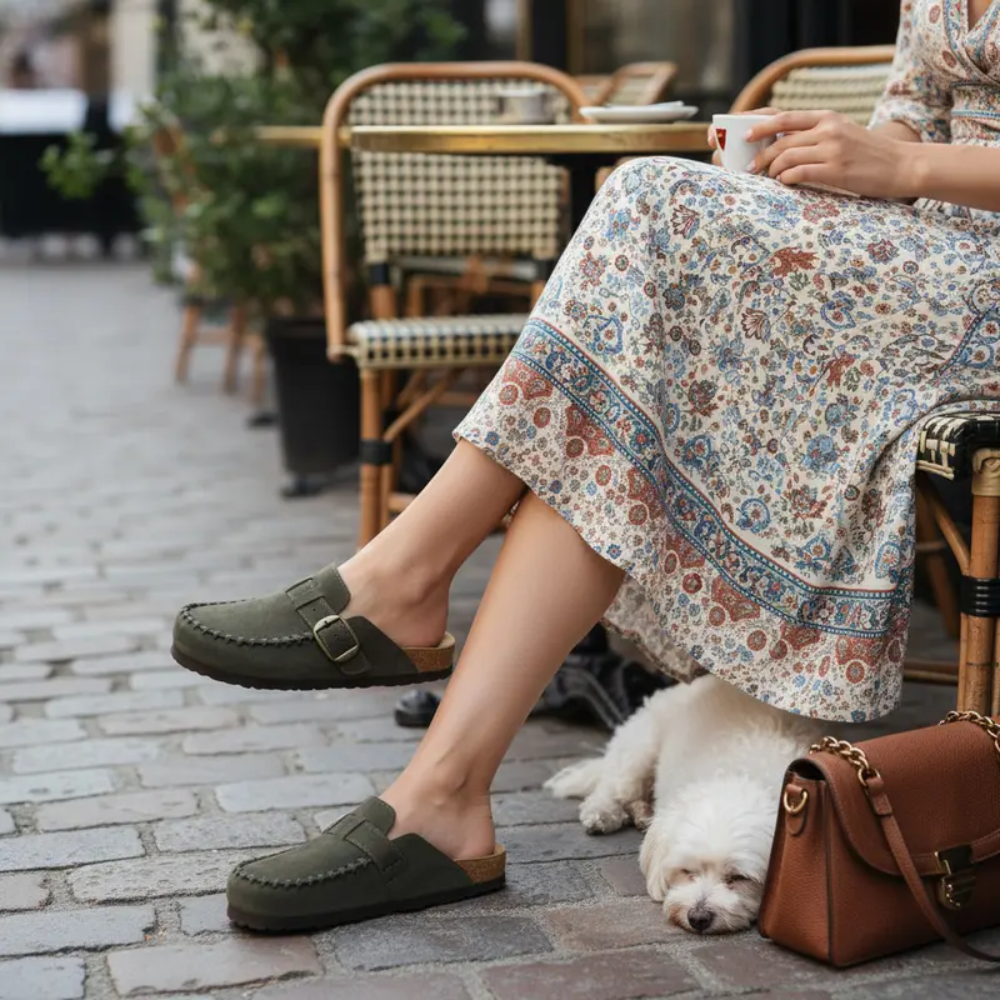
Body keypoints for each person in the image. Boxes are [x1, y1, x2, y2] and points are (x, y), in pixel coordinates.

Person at [171, 0, 1000, 932]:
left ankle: (403, 596)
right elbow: (913, 107)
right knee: (626, 367)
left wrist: (906, 167)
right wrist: (833, 155)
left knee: (650, 200)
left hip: (980, 282)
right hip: (917, 258)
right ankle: (441, 792)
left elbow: (911, 156)